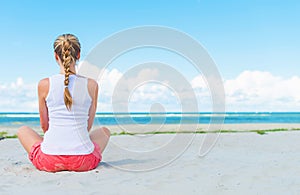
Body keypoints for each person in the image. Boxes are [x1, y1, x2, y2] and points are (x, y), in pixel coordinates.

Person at [17, 33, 110, 172]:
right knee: (105, 131)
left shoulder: (44, 84)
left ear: (56, 56)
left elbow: (44, 126)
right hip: (84, 161)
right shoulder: (92, 85)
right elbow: (87, 126)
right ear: (78, 55)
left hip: (49, 161)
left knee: (22, 130)